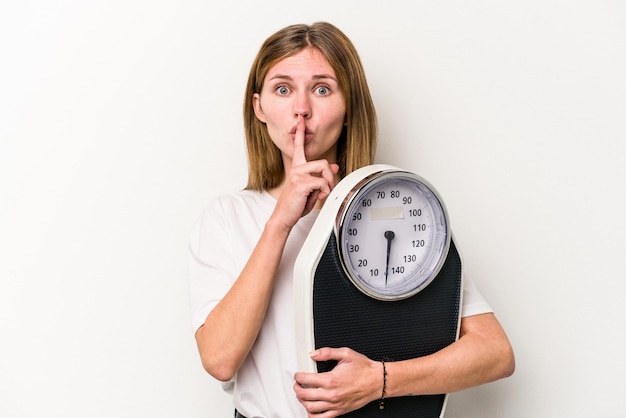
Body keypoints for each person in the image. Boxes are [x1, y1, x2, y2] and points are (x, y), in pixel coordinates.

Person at [188, 21, 515, 418]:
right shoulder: (227, 217)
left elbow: (495, 352)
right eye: (283, 89)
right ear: (259, 107)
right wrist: (280, 223)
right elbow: (220, 359)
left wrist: (380, 380)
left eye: (322, 89)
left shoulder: (398, 211)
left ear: (349, 108)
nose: (302, 108)